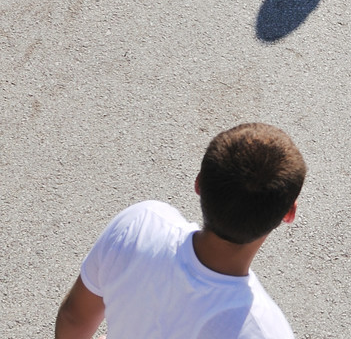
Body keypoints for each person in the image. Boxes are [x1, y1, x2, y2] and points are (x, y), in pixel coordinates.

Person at [54, 123, 307, 339]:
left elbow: (74, 318)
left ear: (198, 184)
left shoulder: (141, 224)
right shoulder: (265, 329)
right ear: (289, 213)